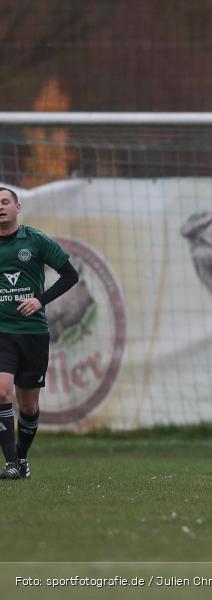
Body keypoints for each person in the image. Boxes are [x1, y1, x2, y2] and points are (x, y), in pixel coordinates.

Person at [0, 187, 79, 480]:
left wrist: (39, 300)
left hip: (33, 334)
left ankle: (21, 458)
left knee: (28, 404)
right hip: (2, 332)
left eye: (5, 202)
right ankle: (9, 464)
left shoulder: (35, 240)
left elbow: (71, 275)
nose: (0, 207)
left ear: (17, 207)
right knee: (1, 391)